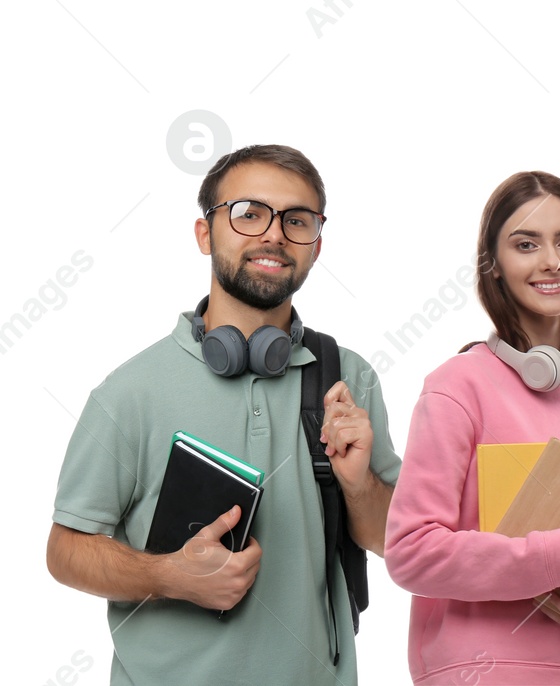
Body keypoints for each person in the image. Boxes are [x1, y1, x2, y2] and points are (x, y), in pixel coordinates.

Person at [45, 144, 400, 685]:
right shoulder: (130, 392)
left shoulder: (348, 379)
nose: (274, 235)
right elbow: (65, 550)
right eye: (250, 213)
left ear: (317, 244)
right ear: (205, 233)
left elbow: (388, 538)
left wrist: (358, 484)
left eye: (296, 220)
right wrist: (170, 575)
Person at [384, 171, 560, 685]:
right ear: (494, 266)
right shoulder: (457, 387)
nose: (552, 261)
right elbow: (412, 552)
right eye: (526, 244)